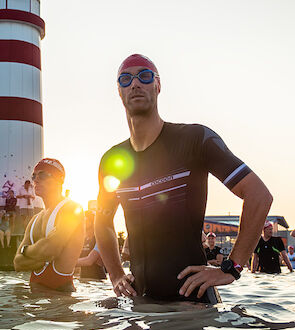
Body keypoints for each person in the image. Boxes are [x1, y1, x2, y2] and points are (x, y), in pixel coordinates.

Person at [94, 54, 273, 303]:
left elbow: (259, 195)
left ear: (158, 86)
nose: (135, 84)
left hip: (192, 303)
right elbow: (102, 221)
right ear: (119, 91)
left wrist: (233, 267)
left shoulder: (194, 140)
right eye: (125, 79)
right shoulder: (112, 160)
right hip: (140, 303)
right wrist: (115, 275)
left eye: (144, 76)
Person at [14, 158, 85, 292]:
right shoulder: (35, 219)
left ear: (60, 180)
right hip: (35, 302)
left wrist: (26, 251)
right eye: (34, 176)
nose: (36, 180)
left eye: (43, 175)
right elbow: (18, 263)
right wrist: (41, 253)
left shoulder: (72, 209)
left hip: (61, 300)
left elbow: (50, 249)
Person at [76, 209, 106, 280]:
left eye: (85, 219)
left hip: (97, 282)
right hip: (83, 280)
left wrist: (66, 263)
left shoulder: (99, 239)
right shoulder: (82, 239)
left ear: (93, 221)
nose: (82, 222)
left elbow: (89, 261)